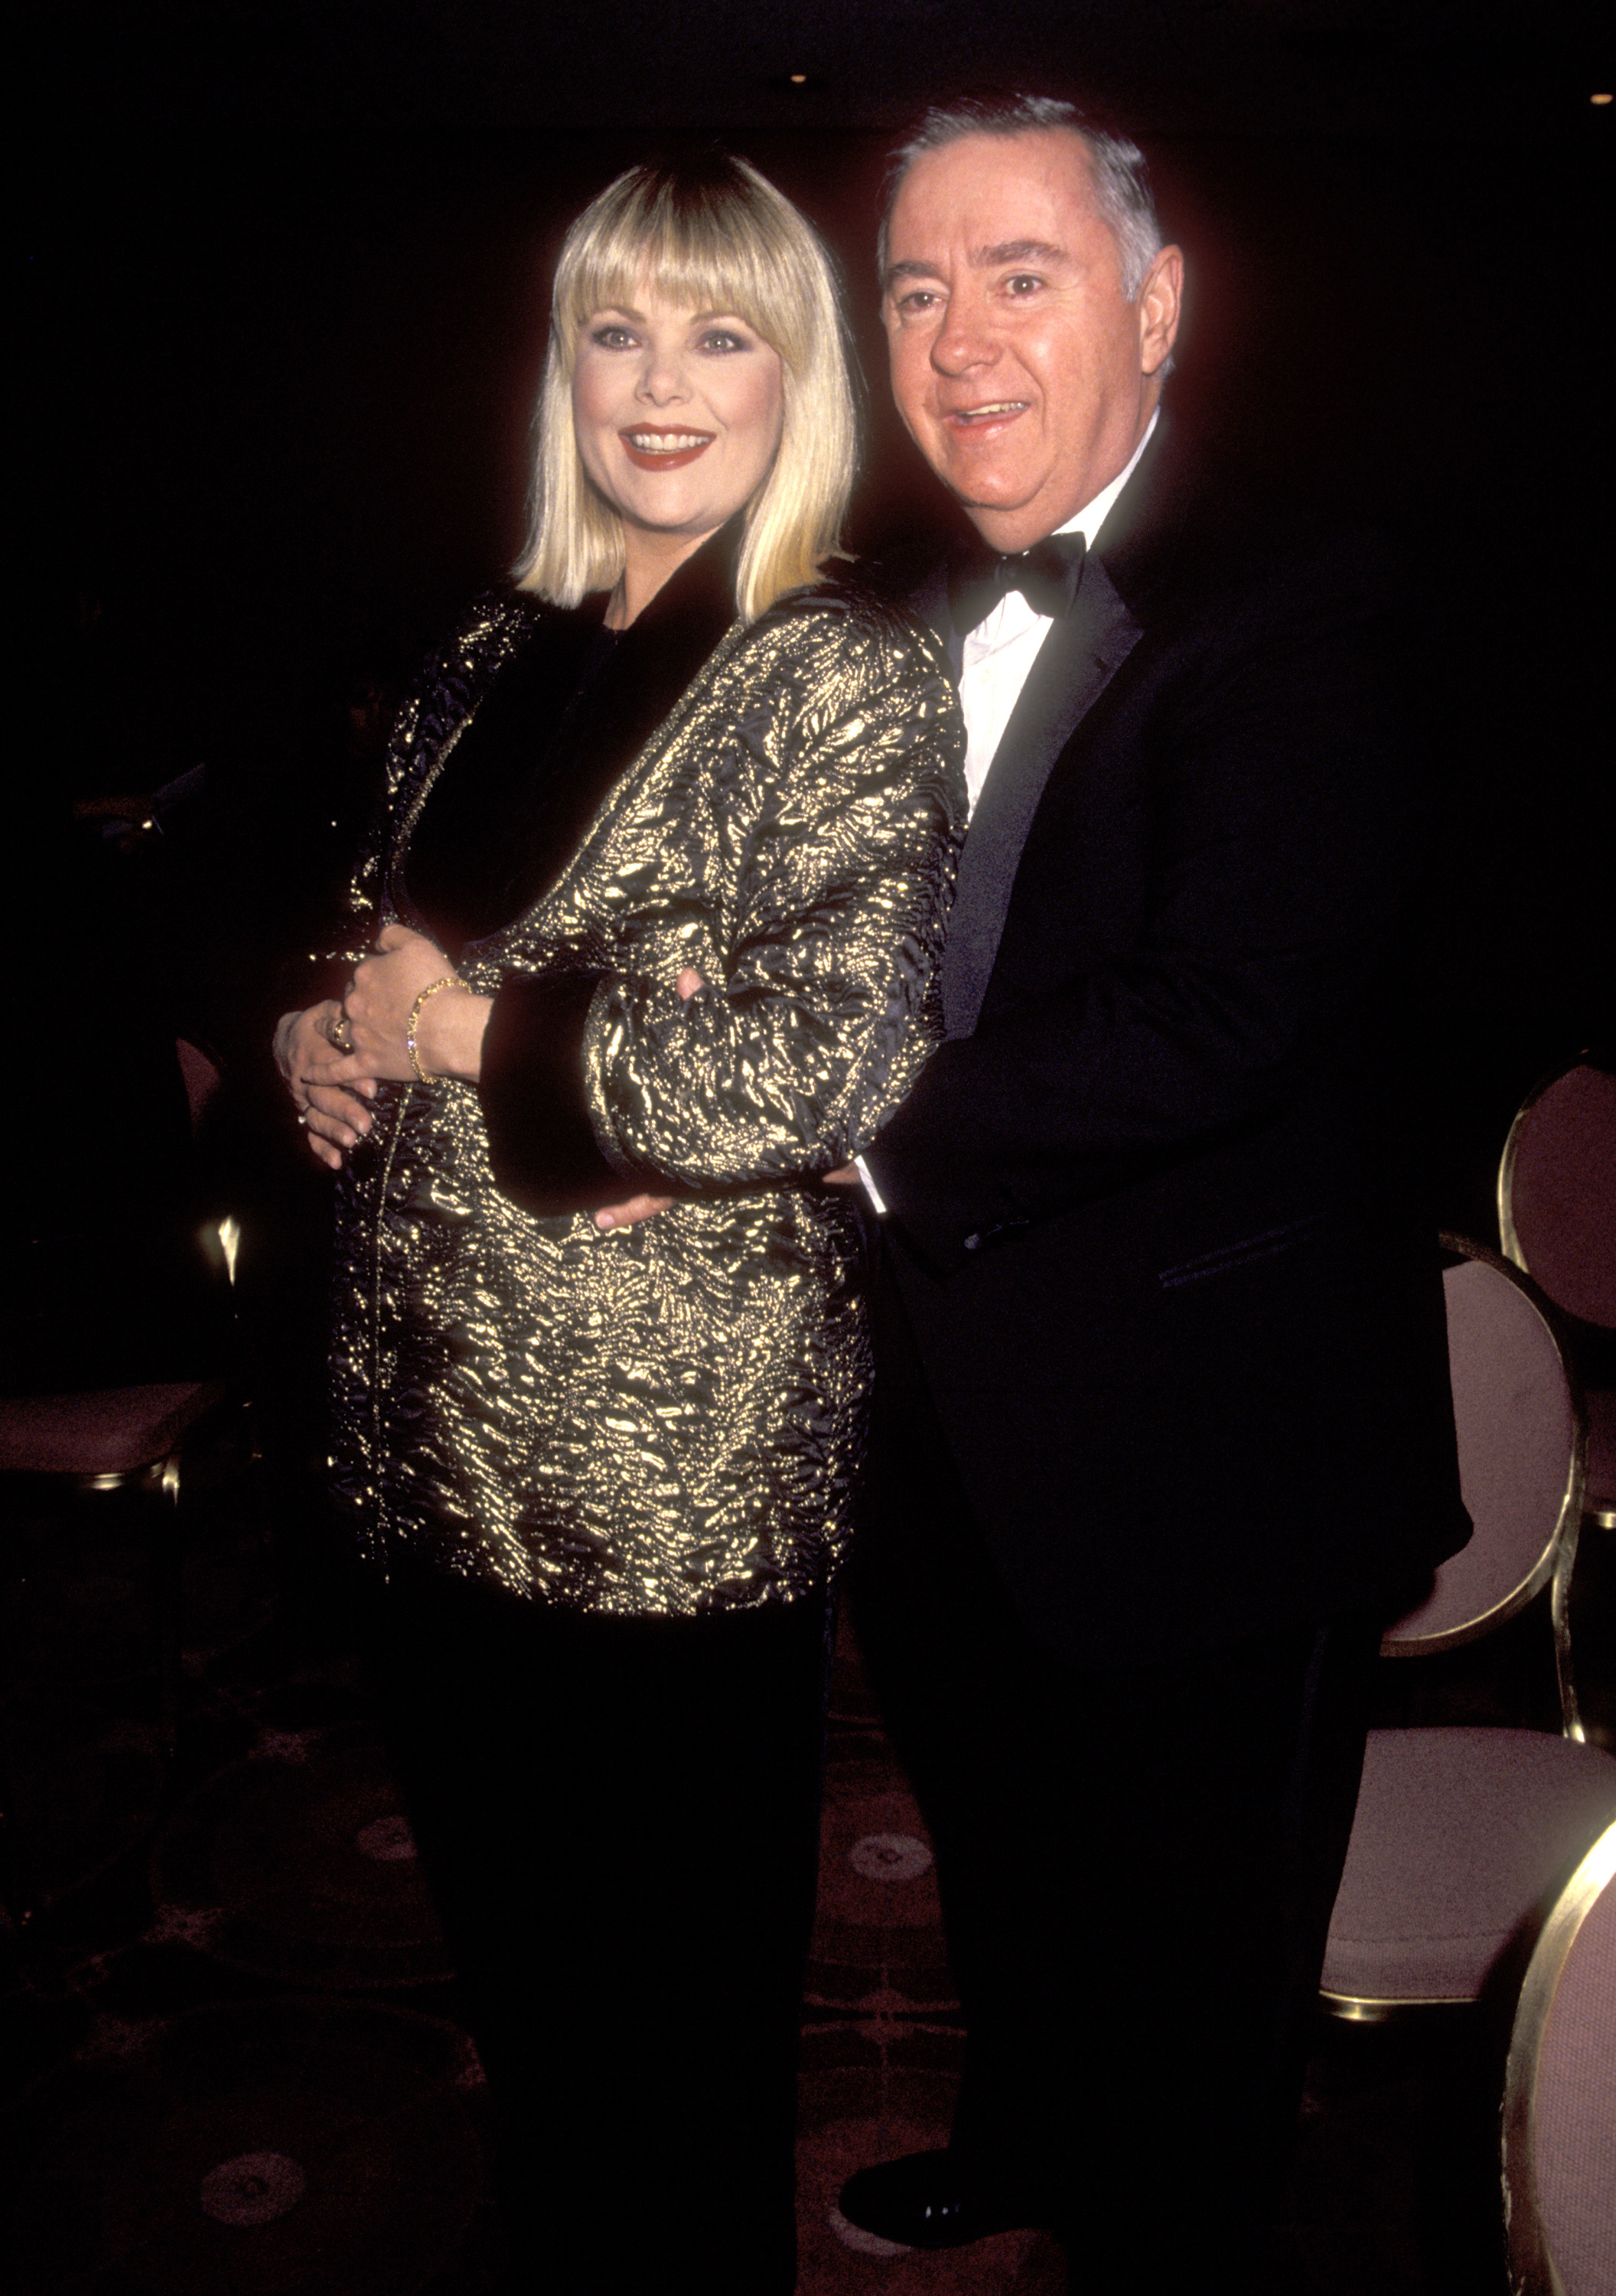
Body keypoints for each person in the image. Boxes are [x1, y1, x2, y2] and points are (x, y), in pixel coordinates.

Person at [273, 154, 963, 2294]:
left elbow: (823, 1064)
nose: (661, 381)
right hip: (426, 1428)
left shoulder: (841, 667)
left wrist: (470, 1035)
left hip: (663, 1475)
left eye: (721, 328)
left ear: (799, 374)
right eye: (616, 325)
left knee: (669, 2027)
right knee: (529, 1992)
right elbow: (399, 934)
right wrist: (328, 1033)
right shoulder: (508, 635)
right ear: (562, 361)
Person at [832, 96, 1469, 2289]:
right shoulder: (887, 606)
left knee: (1197, 1950)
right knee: (1005, 1848)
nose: (960, 340)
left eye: (1023, 276)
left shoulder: (1312, 593)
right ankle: (1022, 2136)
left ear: (1159, 306)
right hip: (940, 1409)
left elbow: (1228, 1014)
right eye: (917, 288)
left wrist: (839, 1119)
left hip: (1216, 1430)